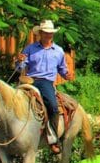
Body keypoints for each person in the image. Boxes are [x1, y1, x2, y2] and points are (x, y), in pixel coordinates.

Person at [18, 20, 72, 154]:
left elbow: (62, 70)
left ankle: (53, 139)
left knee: (53, 107)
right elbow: (20, 68)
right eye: (45, 33)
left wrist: (67, 75)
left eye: (50, 33)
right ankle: (0, 134)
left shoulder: (58, 51)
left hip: (46, 82)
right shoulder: (30, 49)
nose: (48, 35)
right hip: (29, 80)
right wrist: (19, 61)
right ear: (40, 33)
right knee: (10, 99)